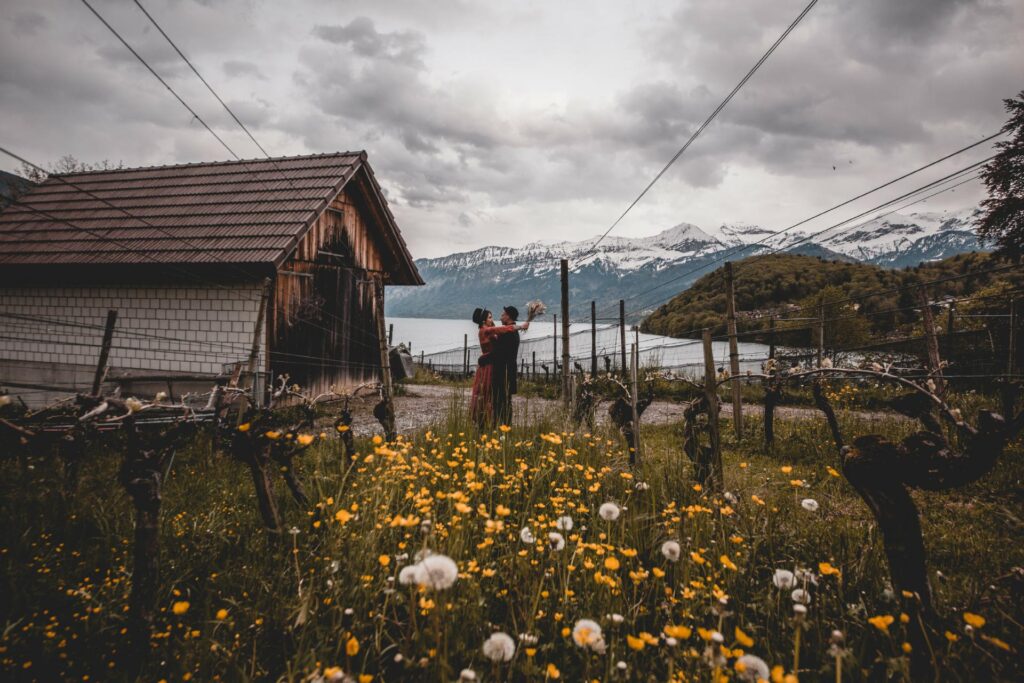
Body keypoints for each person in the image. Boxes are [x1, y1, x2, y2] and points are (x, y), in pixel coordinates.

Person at [469, 308, 528, 429]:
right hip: (489, 367)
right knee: (487, 394)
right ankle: (486, 422)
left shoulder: (494, 331)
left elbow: (500, 347)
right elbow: (500, 330)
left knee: (495, 398)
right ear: (484, 320)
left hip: (495, 367)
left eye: (502, 314)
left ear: (509, 316)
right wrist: (520, 326)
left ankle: (493, 424)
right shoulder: (485, 330)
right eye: (490, 317)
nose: (495, 318)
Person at [491, 305, 523, 427]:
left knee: (501, 401)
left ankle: (502, 427)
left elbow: (498, 353)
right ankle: (504, 427)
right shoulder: (512, 332)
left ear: (508, 316)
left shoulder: (508, 333)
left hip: (503, 372)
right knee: (505, 401)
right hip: (508, 371)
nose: (501, 316)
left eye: (503, 314)